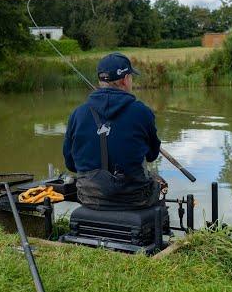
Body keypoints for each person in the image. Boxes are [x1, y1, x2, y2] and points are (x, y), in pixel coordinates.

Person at [63, 52, 166, 210]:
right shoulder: (142, 112)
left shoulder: (77, 114)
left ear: (100, 80)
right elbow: (152, 156)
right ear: (125, 80)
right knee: (159, 182)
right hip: (134, 198)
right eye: (131, 77)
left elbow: (71, 164)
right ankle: (159, 228)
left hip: (89, 197)